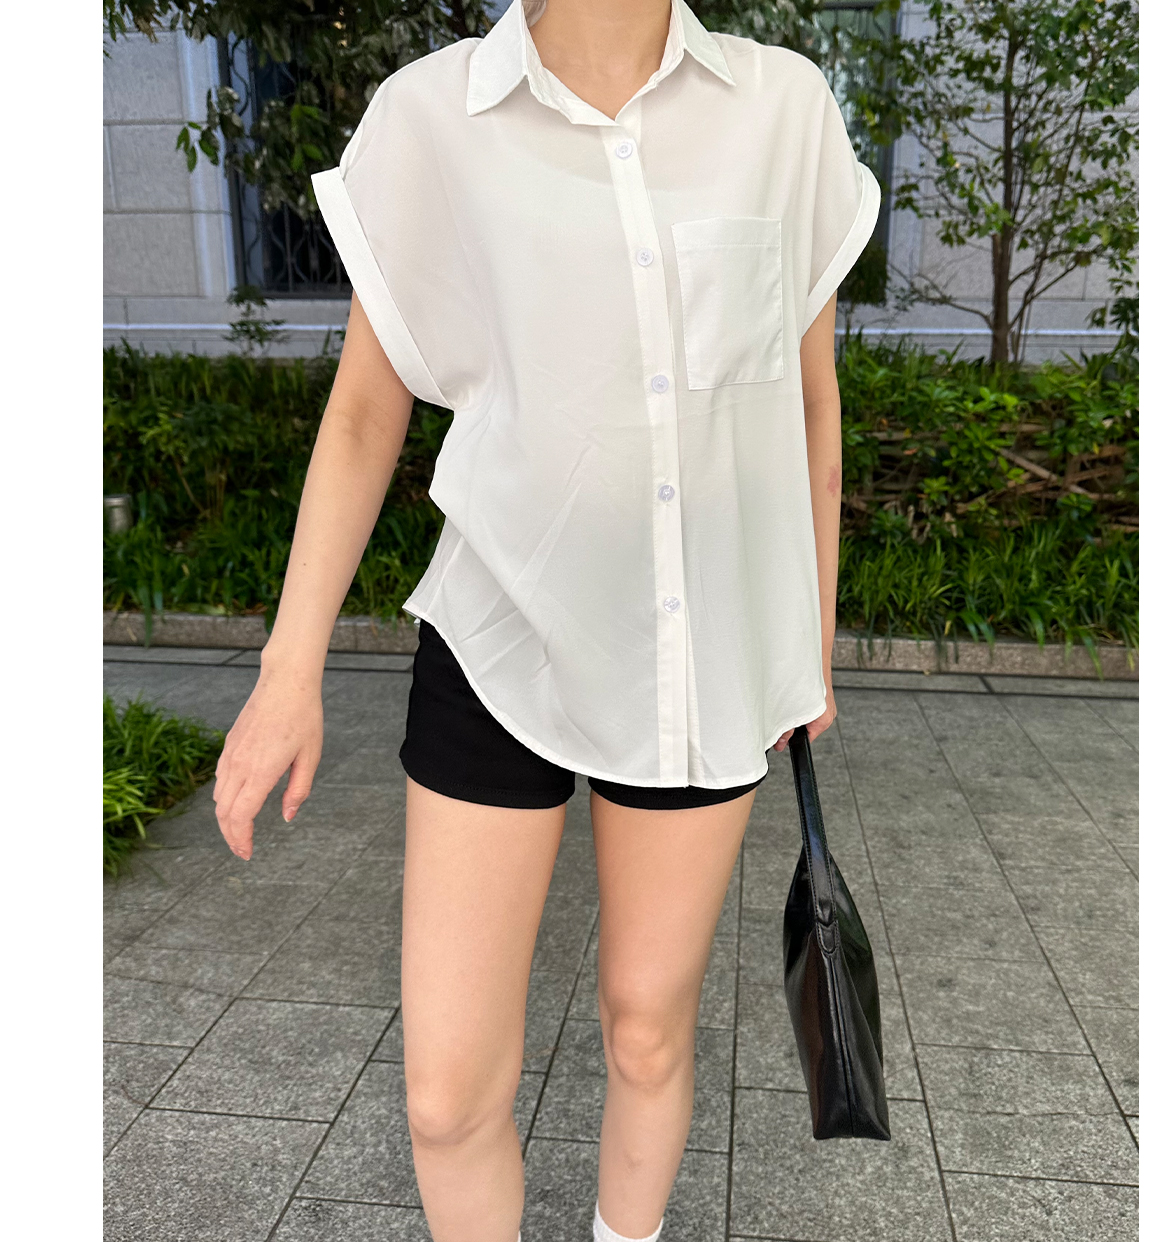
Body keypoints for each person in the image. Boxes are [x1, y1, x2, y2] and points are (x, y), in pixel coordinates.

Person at [211, 0, 880, 1238]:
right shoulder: (432, 118)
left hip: (703, 658)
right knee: (444, 1100)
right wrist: (287, 669)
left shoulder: (781, 109)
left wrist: (807, 642)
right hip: (496, 635)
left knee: (645, 1030)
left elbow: (806, 406)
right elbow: (364, 412)